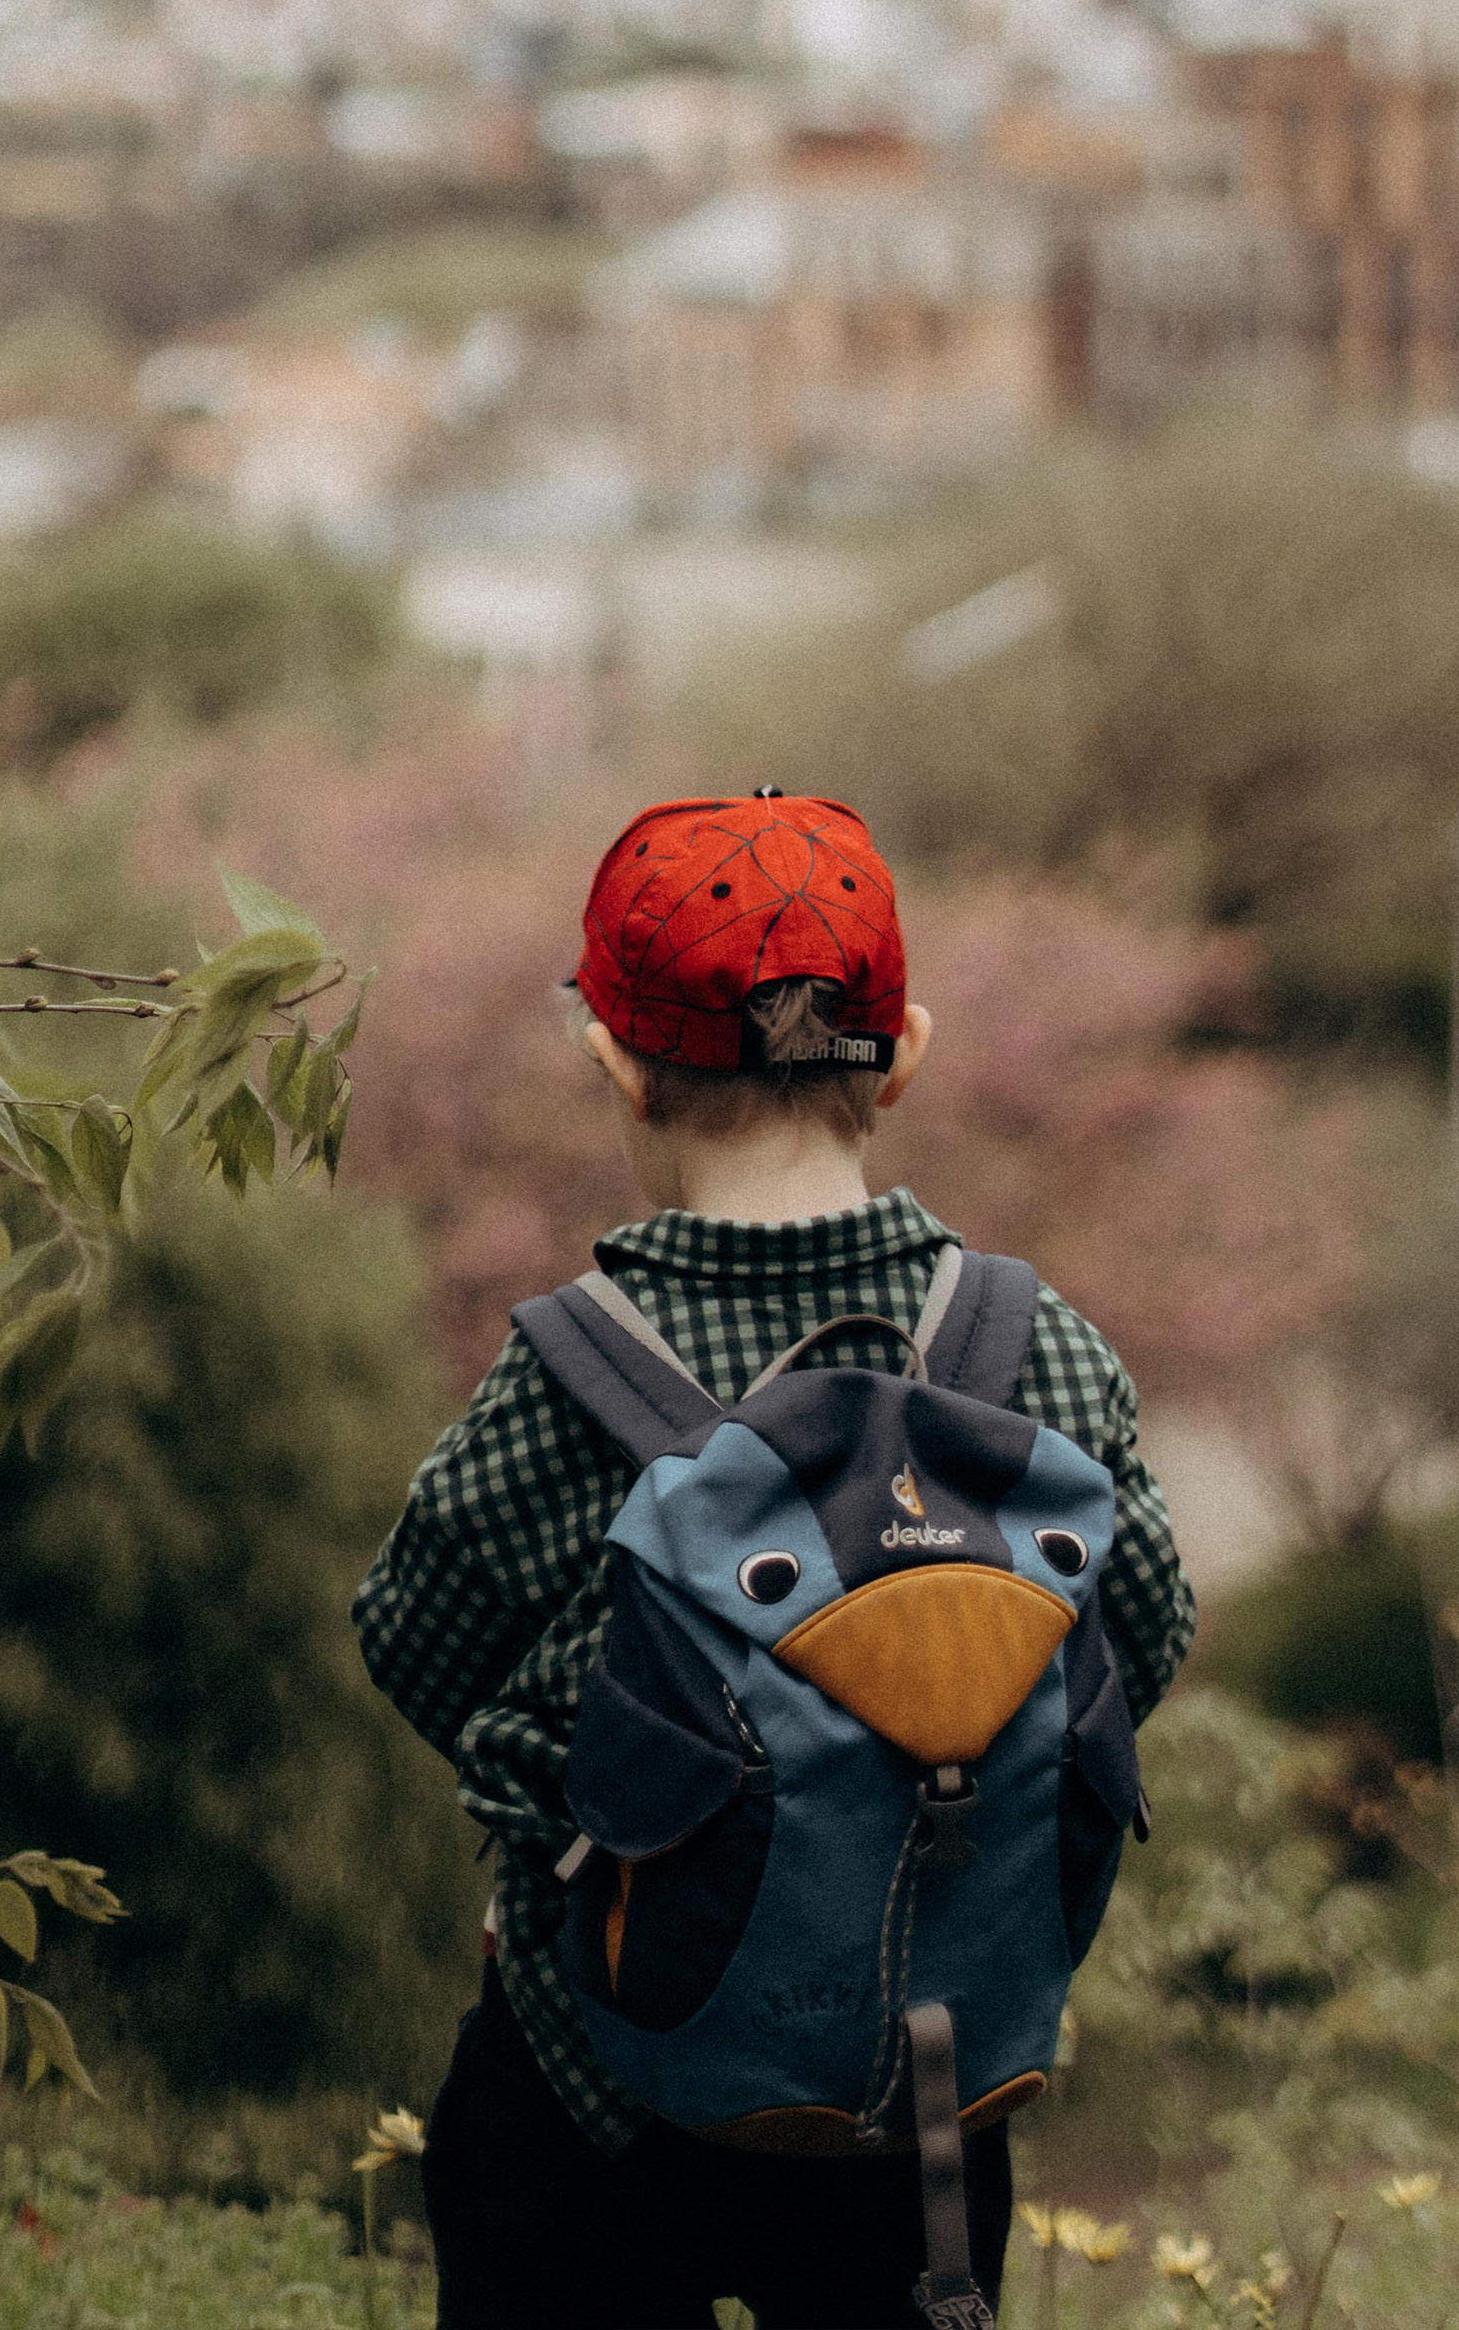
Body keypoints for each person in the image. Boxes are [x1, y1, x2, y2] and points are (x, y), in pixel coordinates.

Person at [354, 792, 1194, 2329]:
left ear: (612, 1057)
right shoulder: (1031, 1356)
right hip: (919, 2094)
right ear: (910, 1052)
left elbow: (411, 1646)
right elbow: (1146, 1631)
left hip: (593, 2073)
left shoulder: (562, 1378)